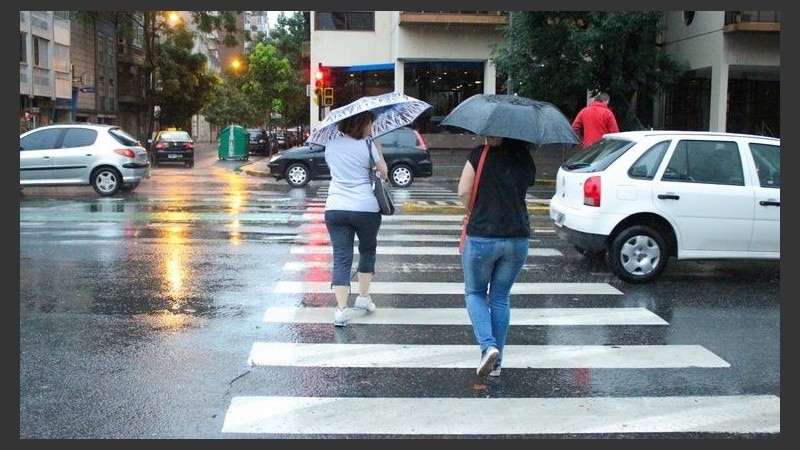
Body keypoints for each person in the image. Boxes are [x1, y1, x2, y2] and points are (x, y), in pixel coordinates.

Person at [457, 136, 536, 377]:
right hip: (517, 239)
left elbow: (463, 191)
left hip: (482, 236)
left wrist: (473, 210)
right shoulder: (525, 158)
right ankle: (497, 363)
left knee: (475, 293)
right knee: (500, 298)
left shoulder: (480, 154)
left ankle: (488, 346)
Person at [323, 110, 389, 327]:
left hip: (335, 207)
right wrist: (378, 152)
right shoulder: (369, 145)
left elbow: (334, 170)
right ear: (361, 124)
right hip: (365, 208)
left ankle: (341, 310)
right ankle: (363, 298)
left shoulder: (331, 144)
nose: (371, 127)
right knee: (367, 250)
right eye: (369, 123)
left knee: (341, 257)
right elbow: (384, 173)